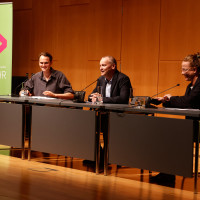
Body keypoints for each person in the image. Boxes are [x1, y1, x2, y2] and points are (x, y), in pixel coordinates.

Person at [150, 52, 200, 184]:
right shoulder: (191, 85)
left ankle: (168, 174)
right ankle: (168, 173)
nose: (182, 72)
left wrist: (171, 98)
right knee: (167, 135)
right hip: (191, 126)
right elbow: (185, 102)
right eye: (182, 69)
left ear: (194, 70)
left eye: (185, 69)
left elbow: (188, 101)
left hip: (198, 128)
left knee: (171, 137)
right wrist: (166, 101)